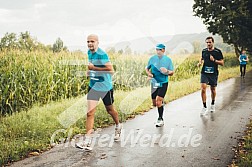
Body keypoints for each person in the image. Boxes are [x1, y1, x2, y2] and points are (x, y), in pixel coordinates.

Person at [75, 34, 122, 151]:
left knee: (110, 110)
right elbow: (90, 65)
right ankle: (88, 141)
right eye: (88, 41)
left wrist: (94, 69)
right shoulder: (89, 52)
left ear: (97, 42)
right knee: (90, 113)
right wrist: (89, 72)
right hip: (93, 86)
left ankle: (118, 125)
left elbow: (111, 70)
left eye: (92, 41)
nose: (90, 43)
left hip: (105, 88)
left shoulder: (102, 54)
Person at [146, 44, 174, 127]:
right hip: (154, 83)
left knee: (158, 101)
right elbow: (147, 69)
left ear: (164, 50)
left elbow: (172, 73)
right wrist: (149, 74)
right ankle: (161, 104)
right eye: (157, 50)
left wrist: (167, 71)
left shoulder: (168, 60)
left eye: (160, 50)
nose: (158, 51)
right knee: (154, 103)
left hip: (163, 83)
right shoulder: (152, 59)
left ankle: (160, 119)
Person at [197, 36, 224, 116]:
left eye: (210, 42)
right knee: (203, 88)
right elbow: (201, 58)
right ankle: (204, 107)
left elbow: (222, 63)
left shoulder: (217, 52)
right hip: (204, 72)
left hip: (213, 73)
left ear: (213, 42)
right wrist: (200, 62)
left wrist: (214, 60)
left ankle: (212, 103)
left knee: (213, 89)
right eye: (207, 42)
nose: (208, 44)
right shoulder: (204, 51)